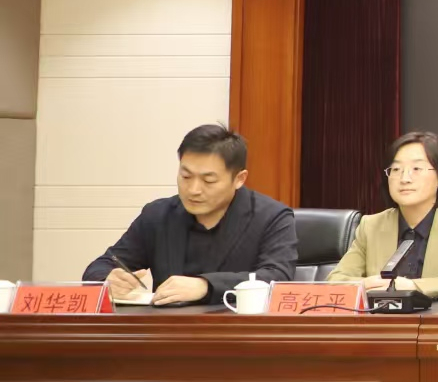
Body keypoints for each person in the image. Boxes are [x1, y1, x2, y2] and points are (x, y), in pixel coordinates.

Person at [83, 124, 296, 306]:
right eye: (186, 176)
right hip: (167, 333)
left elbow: (277, 278)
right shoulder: (158, 215)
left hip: (237, 333)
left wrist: (206, 286)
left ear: (239, 179)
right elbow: (101, 266)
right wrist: (109, 279)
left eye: (208, 180)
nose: (193, 190)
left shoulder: (272, 217)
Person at [330, 131, 438, 299]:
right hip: (381, 316)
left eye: (416, 169)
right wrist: (367, 284)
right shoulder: (371, 226)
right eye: (396, 169)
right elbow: (335, 281)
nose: (404, 178)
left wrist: (413, 287)